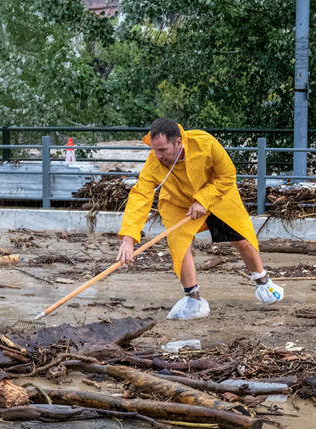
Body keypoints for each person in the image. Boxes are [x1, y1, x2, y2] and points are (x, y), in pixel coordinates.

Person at [116, 117, 284, 320]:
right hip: (179, 204)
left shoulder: (205, 143)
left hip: (217, 197)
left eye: (163, 150)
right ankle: (192, 298)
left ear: (178, 142)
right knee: (180, 245)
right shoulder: (155, 161)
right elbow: (140, 195)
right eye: (154, 150)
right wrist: (128, 239)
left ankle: (263, 282)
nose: (158, 155)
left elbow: (228, 175)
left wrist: (204, 200)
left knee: (242, 240)